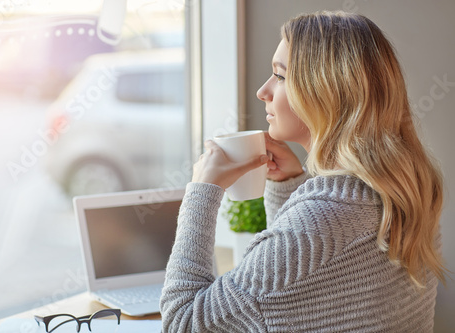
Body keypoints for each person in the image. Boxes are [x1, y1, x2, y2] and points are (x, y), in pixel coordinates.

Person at [160, 10, 446, 332]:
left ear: (325, 92)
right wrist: (289, 186)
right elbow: (320, 295)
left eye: (280, 76)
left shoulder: (320, 218)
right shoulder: (408, 187)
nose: (263, 91)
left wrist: (202, 191)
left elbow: (181, 321)